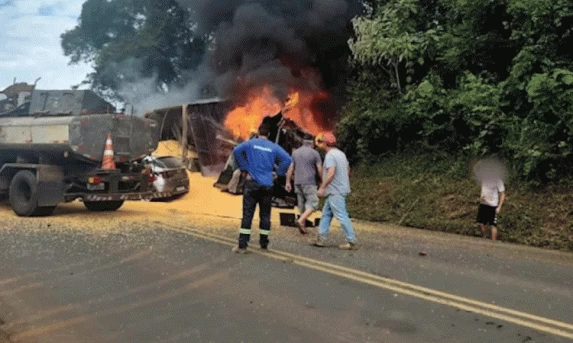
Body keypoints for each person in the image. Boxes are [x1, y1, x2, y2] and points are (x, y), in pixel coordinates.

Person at [231, 123, 292, 253]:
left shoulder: (251, 144)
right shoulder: (273, 147)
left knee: (247, 215)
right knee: (265, 215)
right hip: (267, 185)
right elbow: (287, 159)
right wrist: (277, 173)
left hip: (252, 183)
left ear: (258, 132)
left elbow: (236, 151)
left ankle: (242, 246)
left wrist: (244, 168)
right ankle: (264, 244)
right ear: (269, 134)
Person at [313, 132, 357, 250]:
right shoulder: (341, 154)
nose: (319, 145)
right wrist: (343, 181)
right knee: (326, 214)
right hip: (340, 188)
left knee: (341, 215)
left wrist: (322, 187)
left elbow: (331, 173)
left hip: (335, 191)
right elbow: (347, 169)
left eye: (321, 142)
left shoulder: (330, 156)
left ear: (325, 143)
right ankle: (321, 238)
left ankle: (351, 240)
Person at [285, 138, 323, 234]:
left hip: (297, 182)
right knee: (313, 203)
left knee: (301, 205)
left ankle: (303, 226)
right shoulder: (315, 153)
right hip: (310, 182)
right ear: (312, 143)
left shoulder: (296, 153)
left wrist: (288, 182)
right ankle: (301, 220)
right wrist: (322, 181)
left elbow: (291, 168)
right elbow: (319, 169)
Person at [475, 161, 506, 241]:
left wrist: (499, 206)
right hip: (484, 202)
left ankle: (493, 242)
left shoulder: (498, 181)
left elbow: (502, 194)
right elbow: (476, 170)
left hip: (493, 204)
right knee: (479, 223)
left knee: (493, 225)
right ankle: (484, 236)